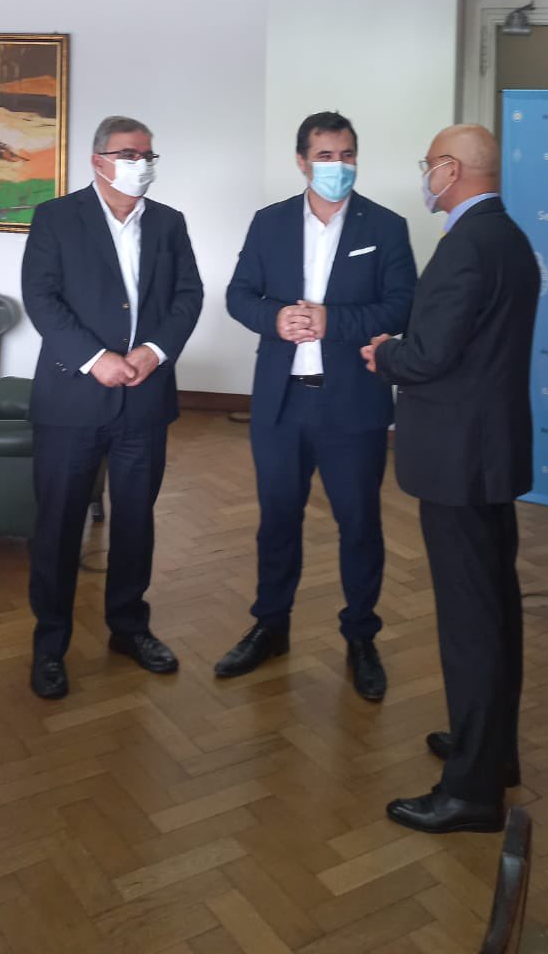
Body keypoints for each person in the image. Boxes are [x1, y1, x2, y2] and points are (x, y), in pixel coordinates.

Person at [362, 124, 539, 833]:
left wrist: (385, 353)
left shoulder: (467, 244)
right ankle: (491, 751)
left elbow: (430, 355)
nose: (425, 178)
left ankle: (469, 792)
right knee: (496, 610)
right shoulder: (507, 236)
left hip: (459, 461)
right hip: (488, 456)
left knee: (471, 624)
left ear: (449, 168)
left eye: (428, 165)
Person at [219, 111, 416, 699]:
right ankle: (270, 626)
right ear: (302, 162)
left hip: (353, 404)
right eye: (326, 156)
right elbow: (238, 295)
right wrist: (274, 318)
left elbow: (402, 307)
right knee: (277, 521)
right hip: (281, 403)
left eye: (347, 154)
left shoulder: (387, 226)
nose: (338, 166)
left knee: (359, 524)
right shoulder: (270, 222)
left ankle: (360, 636)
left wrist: (334, 322)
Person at [21, 115, 203, 700]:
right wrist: (94, 358)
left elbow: (188, 296)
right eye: (129, 154)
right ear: (98, 161)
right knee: (58, 526)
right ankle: (50, 644)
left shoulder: (169, 223)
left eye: (148, 155)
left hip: (144, 398)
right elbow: (41, 297)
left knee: (135, 520)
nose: (140, 164)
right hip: (72, 398)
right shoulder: (56, 218)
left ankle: (129, 627)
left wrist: (155, 350)